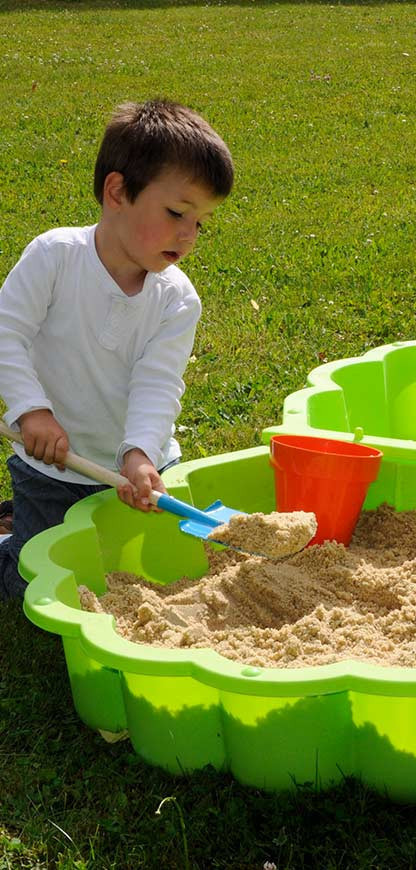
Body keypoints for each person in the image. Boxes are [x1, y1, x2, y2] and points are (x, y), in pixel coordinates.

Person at [0, 99, 234, 599]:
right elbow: (8, 335)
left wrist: (141, 455)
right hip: (54, 468)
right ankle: (11, 537)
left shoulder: (177, 300)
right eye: (176, 213)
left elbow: (158, 383)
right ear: (117, 191)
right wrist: (32, 411)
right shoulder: (55, 258)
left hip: (137, 472)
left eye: (201, 222)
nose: (189, 234)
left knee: (158, 577)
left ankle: (20, 521)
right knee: (36, 588)